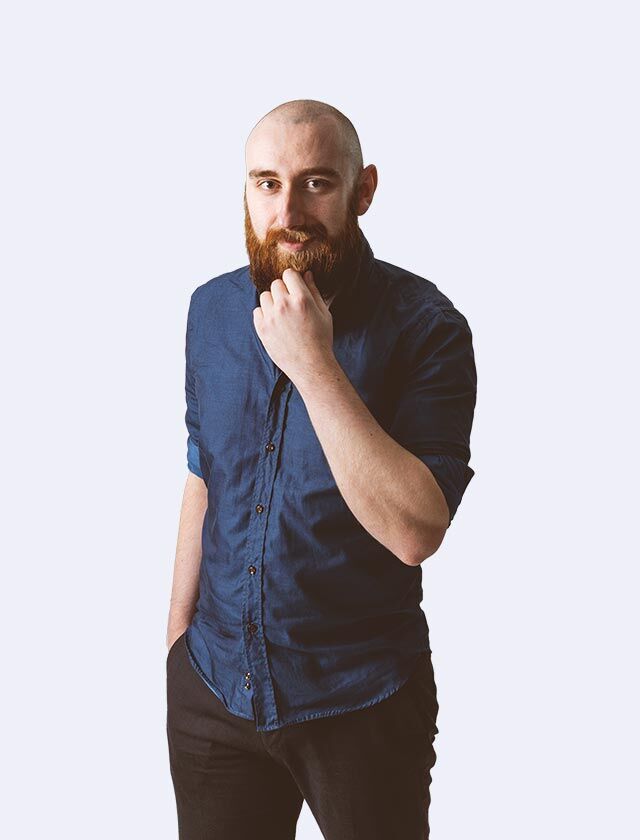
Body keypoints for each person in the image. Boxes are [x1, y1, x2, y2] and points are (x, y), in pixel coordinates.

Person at [166, 98, 477, 839]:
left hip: (361, 702)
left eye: (316, 183)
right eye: (268, 183)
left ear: (363, 191)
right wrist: (178, 642)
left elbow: (416, 531)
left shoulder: (427, 328)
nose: (289, 212)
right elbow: (204, 476)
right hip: (214, 693)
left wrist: (314, 365)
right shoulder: (211, 311)